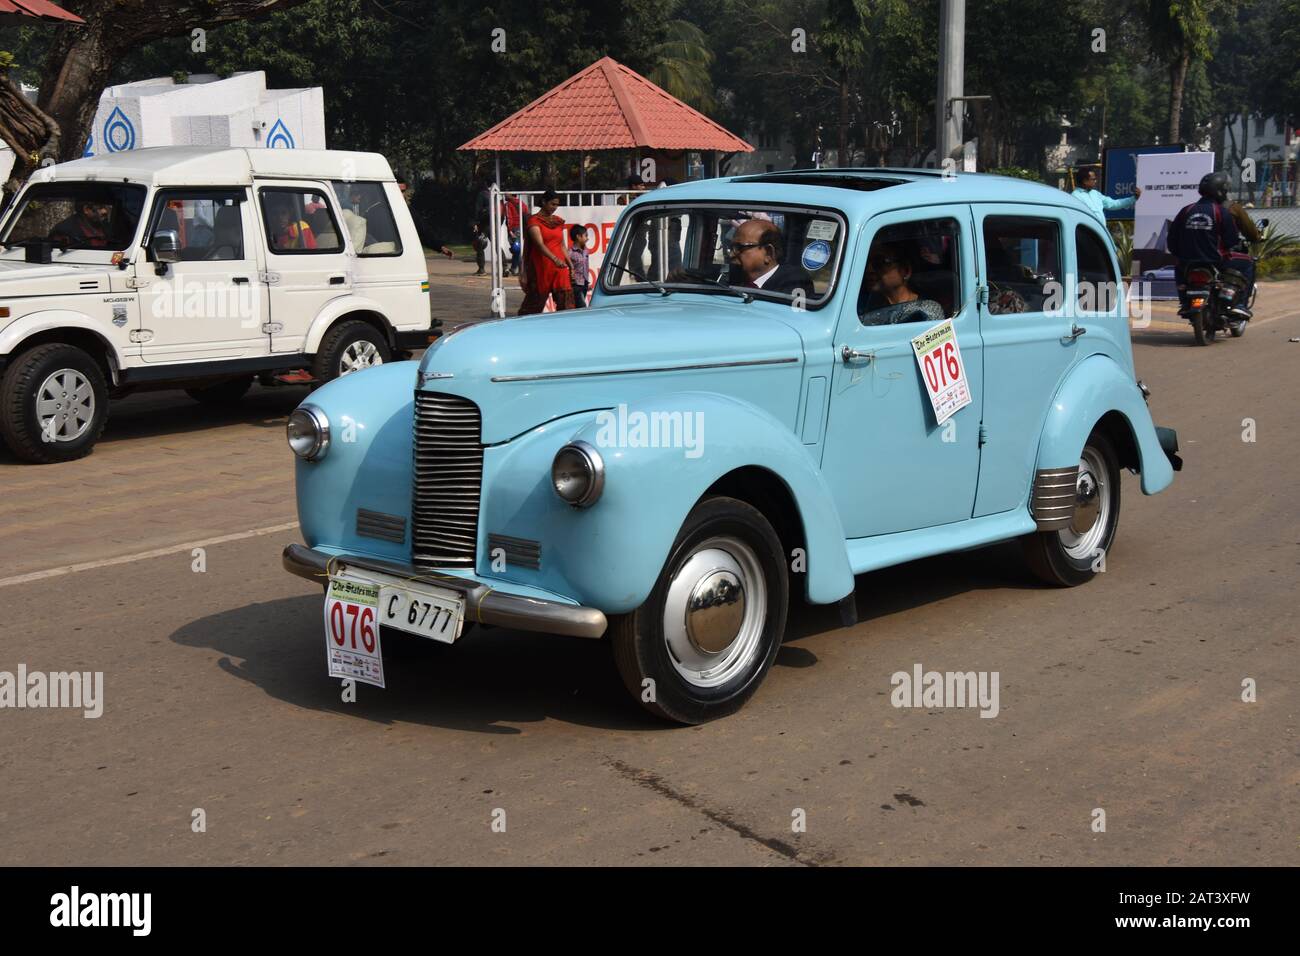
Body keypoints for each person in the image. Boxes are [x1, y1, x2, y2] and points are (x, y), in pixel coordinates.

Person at [1166, 171, 1247, 316]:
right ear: (1221, 191)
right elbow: (1231, 240)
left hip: (1187, 262)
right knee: (1249, 263)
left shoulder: (1186, 210)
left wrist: (1180, 254)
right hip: (1215, 261)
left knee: (1178, 267)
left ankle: (1184, 302)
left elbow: (1172, 239)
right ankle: (1240, 304)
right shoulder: (1221, 212)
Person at [859, 242, 945, 325]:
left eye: (880, 262)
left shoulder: (927, 311)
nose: (869, 270)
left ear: (906, 271)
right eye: (866, 263)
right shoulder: (864, 308)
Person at [518, 188, 573, 314]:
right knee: (533, 306)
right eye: (552, 204)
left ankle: (565, 330)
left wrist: (570, 265)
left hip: (560, 268)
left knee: (566, 305)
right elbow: (539, 245)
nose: (555, 207)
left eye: (557, 205)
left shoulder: (558, 221)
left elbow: (562, 246)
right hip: (541, 267)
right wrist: (555, 259)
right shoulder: (534, 221)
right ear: (543, 202)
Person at [727, 218, 814, 296]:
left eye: (739, 248)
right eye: (731, 248)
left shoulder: (794, 282)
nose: (732, 254)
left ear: (768, 253)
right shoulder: (730, 278)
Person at [396, 178, 454, 260]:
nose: (402, 195)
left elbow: (423, 231)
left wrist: (440, 247)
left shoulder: (408, 211)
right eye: (399, 191)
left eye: (403, 191)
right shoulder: (378, 210)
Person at [1071, 167, 1140, 221]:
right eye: (1093, 179)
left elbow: (1113, 204)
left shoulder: (1095, 193)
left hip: (1100, 233)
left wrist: (1133, 198)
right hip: (1086, 234)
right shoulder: (1075, 196)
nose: (1096, 181)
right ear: (1085, 181)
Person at [568, 224, 590, 308]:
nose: (587, 238)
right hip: (576, 285)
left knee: (577, 307)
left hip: (584, 283)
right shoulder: (570, 253)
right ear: (578, 237)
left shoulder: (585, 250)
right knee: (582, 306)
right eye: (585, 236)